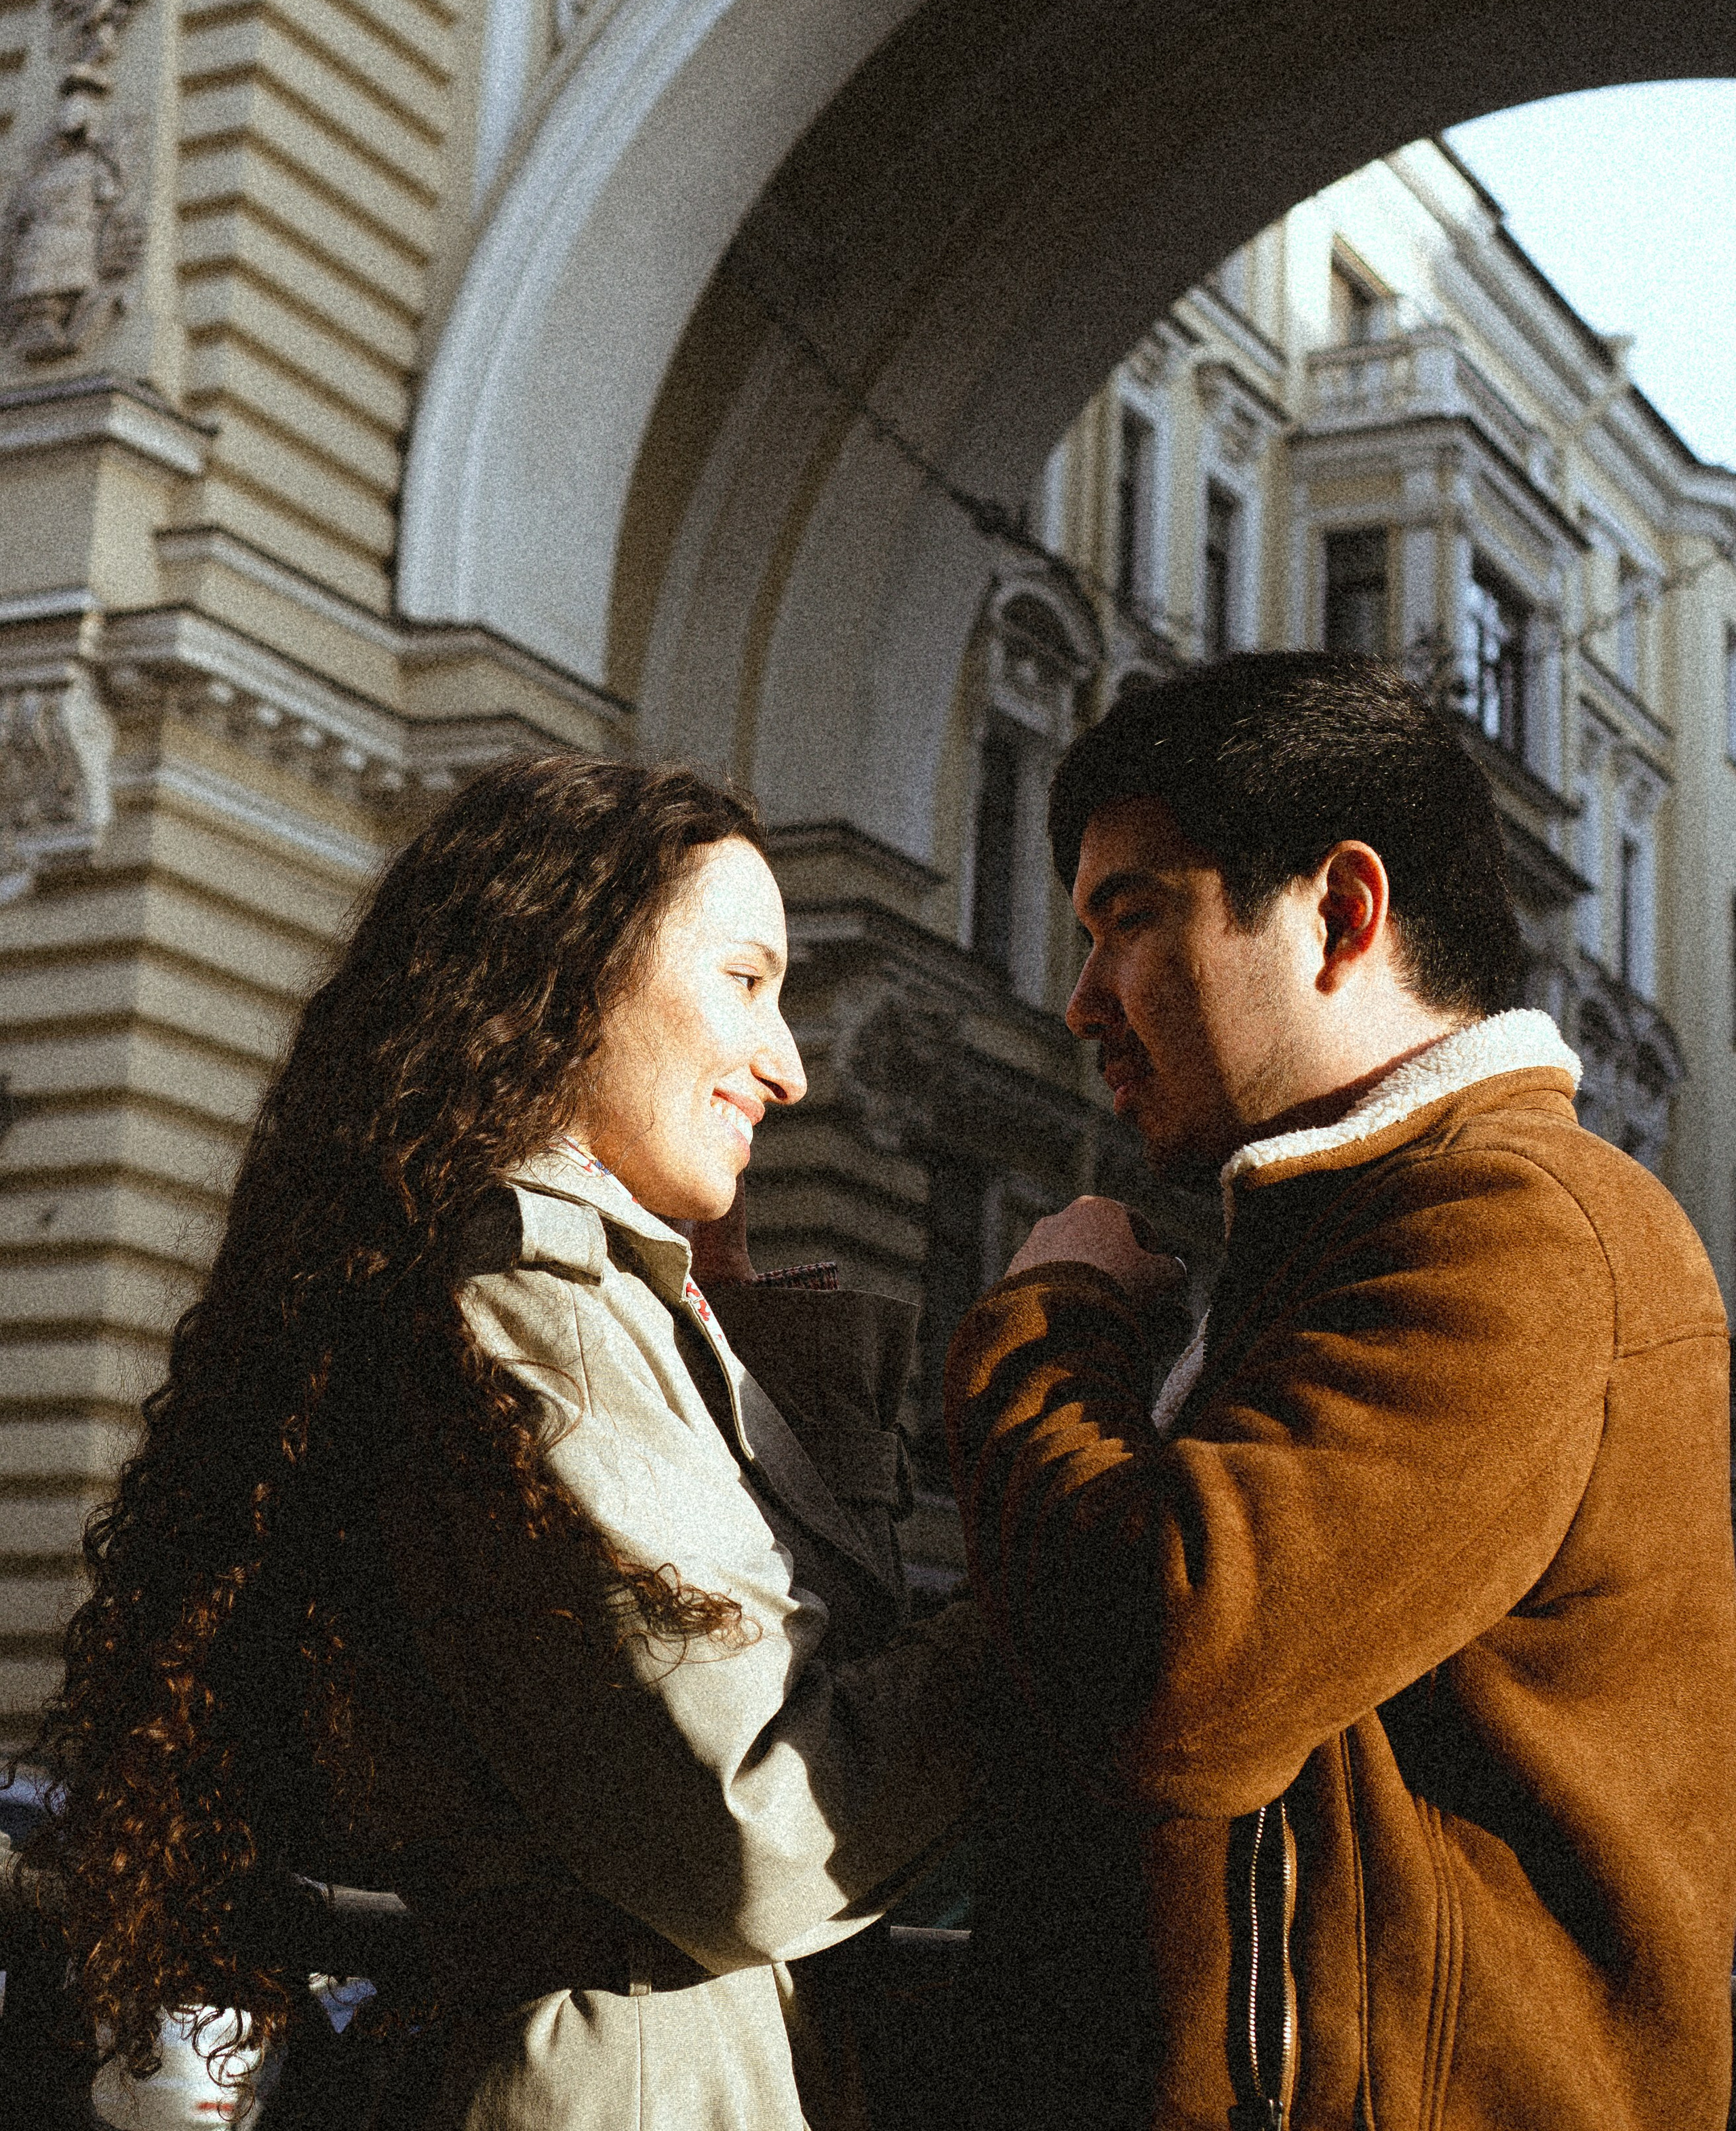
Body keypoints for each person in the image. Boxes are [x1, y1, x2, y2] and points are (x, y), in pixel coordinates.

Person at [24, 756, 983, 2130]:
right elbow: (750, 1842)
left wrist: (738, 1346)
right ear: (572, 974)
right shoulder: (531, 1302)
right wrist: (1059, 1601)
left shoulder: (537, 1291)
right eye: (743, 980)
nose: (787, 1066)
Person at [945, 651, 1736, 2130]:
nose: (1079, 1003)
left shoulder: (1512, 1230)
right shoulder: (1333, 1235)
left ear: (1339, 911)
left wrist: (1046, 1325)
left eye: (1130, 921)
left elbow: (1173, 1672)